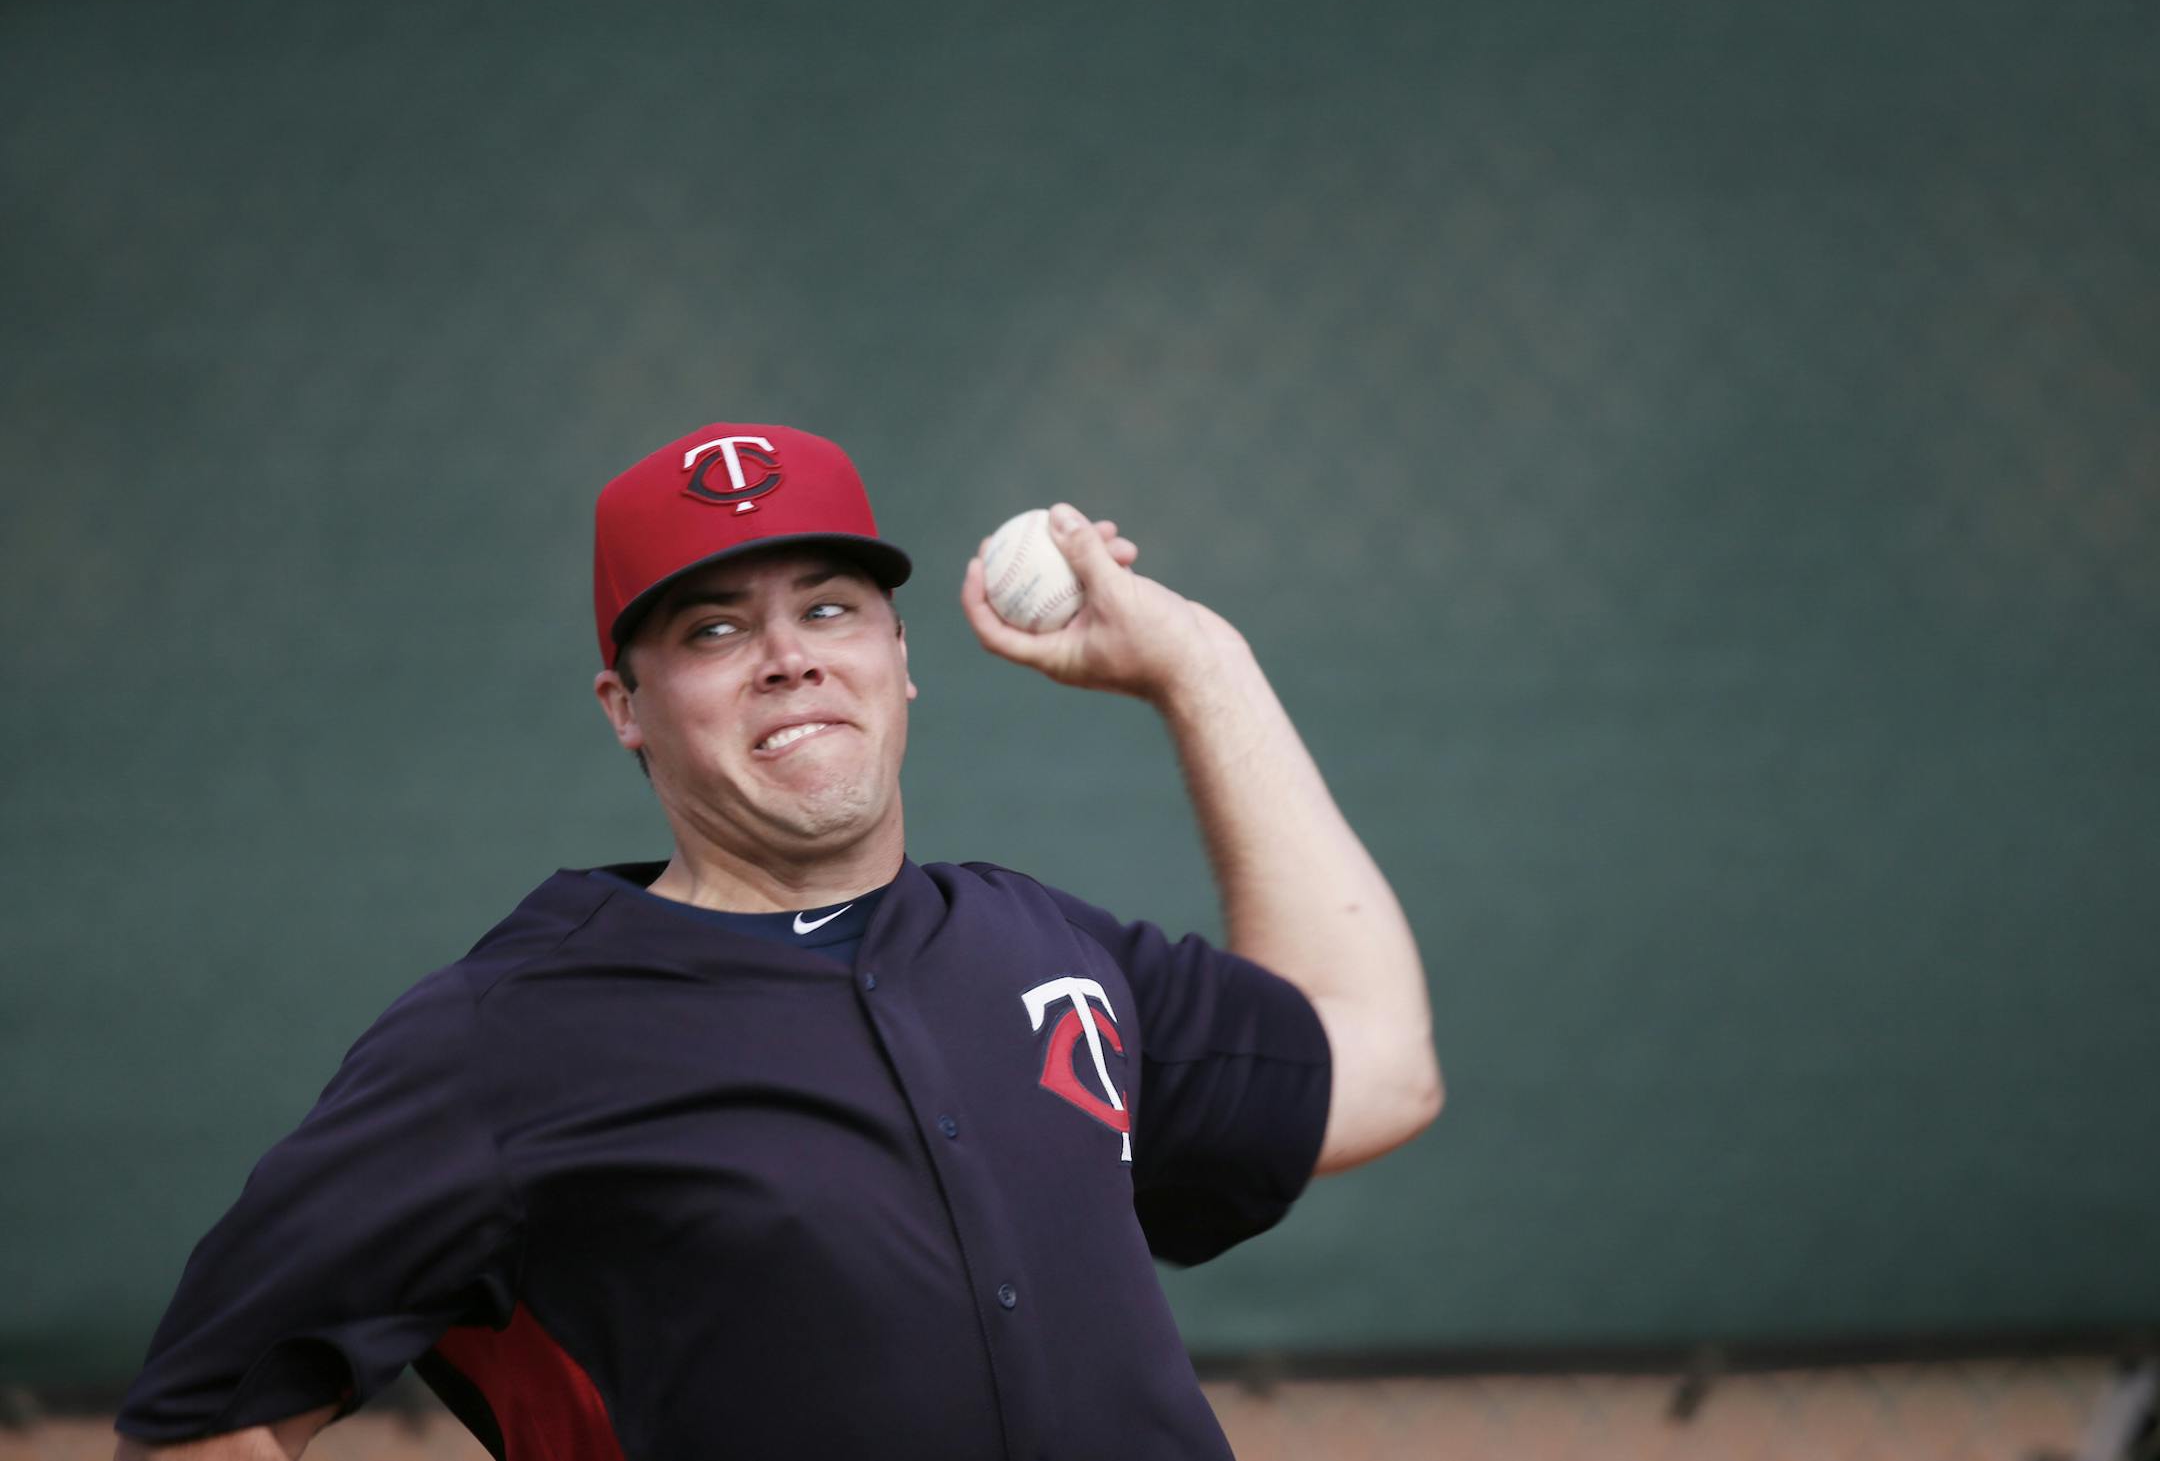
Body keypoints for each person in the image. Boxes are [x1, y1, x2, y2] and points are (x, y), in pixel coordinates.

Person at [114, 423, 1441, 1461]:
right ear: (624, 706)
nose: (789, 657)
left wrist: (1198, 665)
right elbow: (204, 1415)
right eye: (713, 628)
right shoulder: (509, 1040)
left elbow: (1380, 1065)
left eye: (827, 606)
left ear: (900, 658)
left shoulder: (1040, 943)